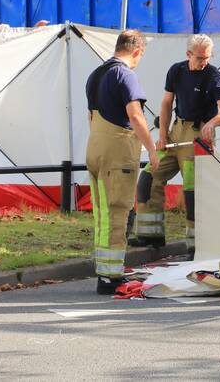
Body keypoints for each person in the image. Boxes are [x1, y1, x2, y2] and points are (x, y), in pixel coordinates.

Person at [130, 34, 220, 255]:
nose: (204, 61)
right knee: (149, 177)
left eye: (208, 56)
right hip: (176, 132)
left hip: (197, 137)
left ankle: (196, 245)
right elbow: (167, 103)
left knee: (192, 191)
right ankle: (150, 236)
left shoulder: (215, 77)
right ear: (188, 54)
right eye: (200, 57)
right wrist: (163, 135)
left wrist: (214, 122)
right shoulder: (176, 71)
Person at [84, 29, 159, 294]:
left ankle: (104, 271)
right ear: (137, 51)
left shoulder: (96, 74)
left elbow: (91, 116)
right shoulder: (125, 74)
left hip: (95, 147)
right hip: (117, 152)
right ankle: (111, 277)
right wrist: (152, 149)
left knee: (103, 213)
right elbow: (135, 115)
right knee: (117, 211)